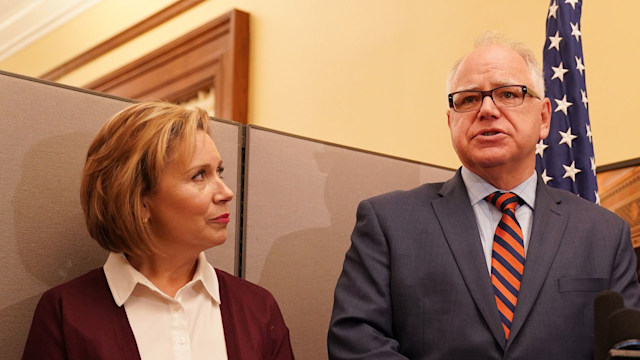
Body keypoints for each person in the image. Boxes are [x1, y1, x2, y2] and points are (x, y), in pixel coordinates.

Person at [328, 32, 640, 359]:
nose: (487, 109)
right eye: (468, 99)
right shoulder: (388, 223)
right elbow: (356, 342)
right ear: (451, 121)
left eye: (508, 94)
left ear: (544, 118)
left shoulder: (604, 233)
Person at [22, 101, 294, 360]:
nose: (226, 192)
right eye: (199, 175)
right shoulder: (65, 314)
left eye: (219, 172)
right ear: (139, 200)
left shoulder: (259, 309)